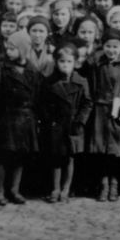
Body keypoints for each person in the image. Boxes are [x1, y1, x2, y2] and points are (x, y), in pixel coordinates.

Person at [0, 30, 42, 205]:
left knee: (20, 156)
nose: (8, 52)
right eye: (7, 48)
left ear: (23, 50)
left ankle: (14, 190)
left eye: (13, 48)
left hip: (26, 119)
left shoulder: (32, 70)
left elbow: (37, 96)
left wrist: (36, 119)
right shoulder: (1, 69)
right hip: (7, 118)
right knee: (3, 155)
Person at [87, 28, 120, 202]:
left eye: (116, 47)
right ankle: (103, 184)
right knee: (101, 150)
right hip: (100, 112)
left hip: (118, 113)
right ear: (103, 46)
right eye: (108, 46)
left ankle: (114, 184)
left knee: (116, 151)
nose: (112, 50)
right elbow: (91, 88)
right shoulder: (97, 65)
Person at [38, 44, 92, 203]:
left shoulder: (81, 82)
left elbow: (87, 103)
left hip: (73, 125)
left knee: (70, 158)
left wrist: (80, 121)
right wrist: (49, 120)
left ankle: (66, 189)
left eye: (69, 61)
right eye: (62, 61)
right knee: (56, 157)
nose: (65, 65)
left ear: (75, 63)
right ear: (56, 62)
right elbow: (42, 103)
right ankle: (55, 188)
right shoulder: (49, 82)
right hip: (56, 125)